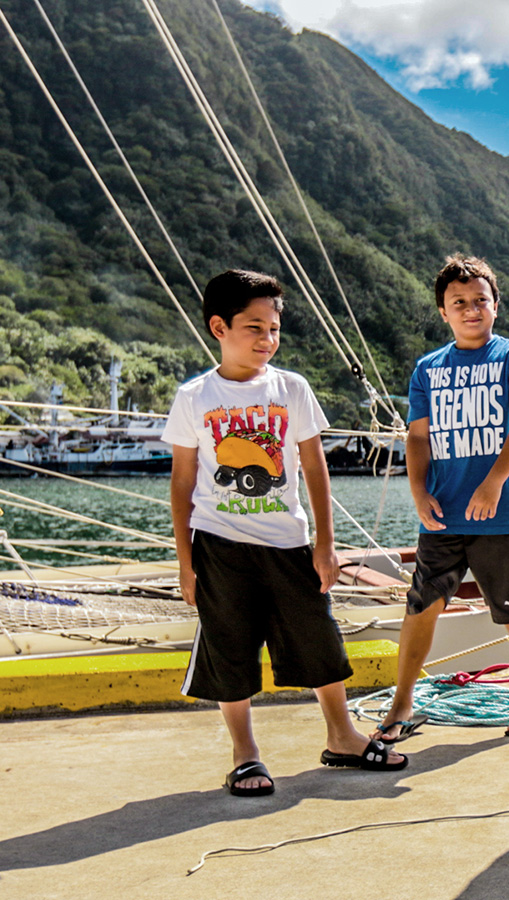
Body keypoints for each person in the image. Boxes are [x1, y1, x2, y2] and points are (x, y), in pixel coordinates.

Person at [165, 269, 405, 798]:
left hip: (288, 542)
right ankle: (245, 754)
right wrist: (186, 563)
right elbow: (182, 483)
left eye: (274, 329)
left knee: (318, 636)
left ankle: (342, 736)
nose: (267, 340)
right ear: (218, 327)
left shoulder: (291, 388)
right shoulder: (194, 396)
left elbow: (314, 469)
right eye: (254, 327)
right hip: (219, 544)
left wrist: (326, 543)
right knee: (230, 647)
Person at [373, 255, 509, 742]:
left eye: (480, 300)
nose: (470, 309)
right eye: (458, 302)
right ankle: (403, 702)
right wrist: (418, 492)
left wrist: (493, 481)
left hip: (500, 514)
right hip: (442, 513)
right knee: (421, 606)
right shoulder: (428, 369)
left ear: (495, 306)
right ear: (443, 311)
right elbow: (417, 438)